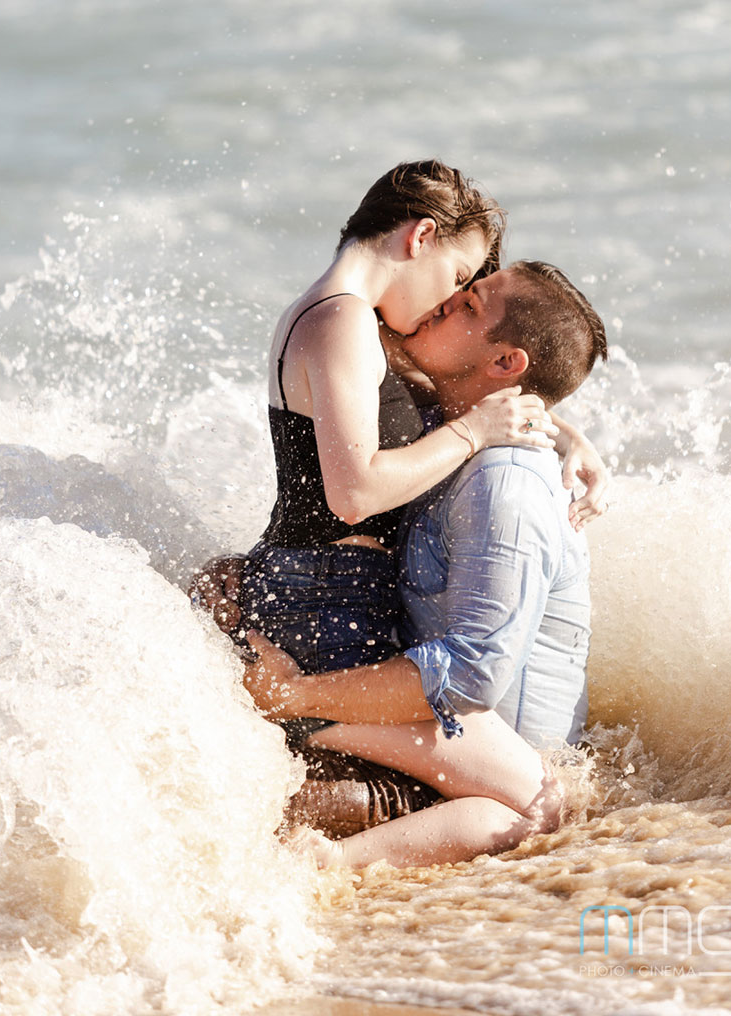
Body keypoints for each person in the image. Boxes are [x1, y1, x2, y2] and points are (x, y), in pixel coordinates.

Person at [242, 261, 608, 869]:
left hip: (502, 759)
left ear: (505, 364)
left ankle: (327, 865)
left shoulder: (504, 488)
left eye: (469, 303)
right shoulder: (451, 427)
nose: (446, 301)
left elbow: (467, 677)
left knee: (548, 809)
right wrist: (570, 431)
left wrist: (296, 694)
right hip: (436, 718)